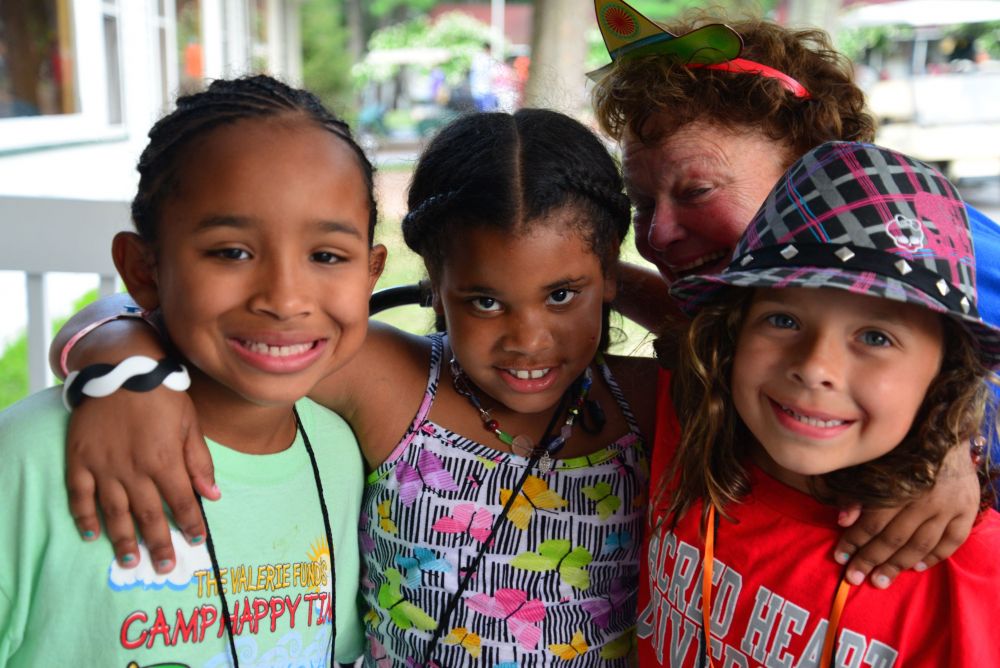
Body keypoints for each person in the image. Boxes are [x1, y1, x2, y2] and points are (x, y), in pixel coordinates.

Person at [49, 109, 659, 666]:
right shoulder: (391, 382)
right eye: (485, 301)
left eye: (561, 294)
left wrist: (625, 281)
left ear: (608, 268)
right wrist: (125, 374)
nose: (528, 339)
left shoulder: (647, 403)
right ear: (434, 282)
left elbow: (709, 336)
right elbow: (148, 313)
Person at [588, 1, 992, 588]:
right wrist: (594, 276)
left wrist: (952, 443)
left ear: (816, 176)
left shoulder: (943, 252)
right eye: (642, 203)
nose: (656, 236)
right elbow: (701, 319)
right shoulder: (743, 307)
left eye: (697, 191)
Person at [0, 75, 383, 665]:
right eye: (232, 252)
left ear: (371, 273)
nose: (285, 299)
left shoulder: (342, 455)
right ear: (144, 270)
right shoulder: (30, 460)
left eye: (327, 256)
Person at [642, 140, 1000, 665]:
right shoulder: (686, 422)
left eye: (875, 337)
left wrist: (950, 444)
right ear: (732, 335)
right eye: (782, 320)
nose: (814, 366)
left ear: (945, 376)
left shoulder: (969, 576)